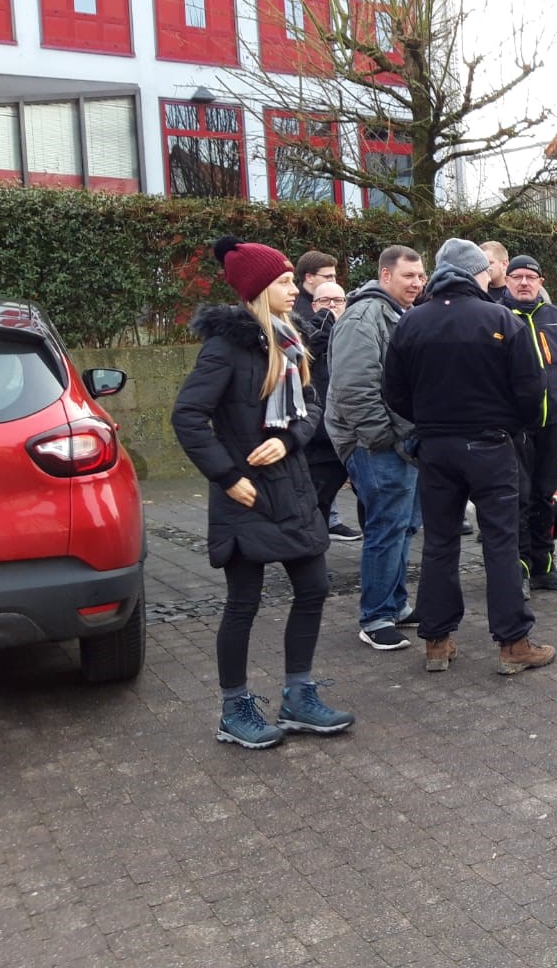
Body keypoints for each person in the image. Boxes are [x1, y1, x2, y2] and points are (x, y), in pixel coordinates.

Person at [172, 236, 354, 750]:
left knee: (314, 588)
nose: (295, 289)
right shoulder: (225, 347)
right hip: (246, 497)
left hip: (293, 489)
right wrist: (228, 478)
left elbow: (311, 405)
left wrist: (289, 439)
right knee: (243, 604)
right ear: (258, 289)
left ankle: (298, 697)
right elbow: (188, 416)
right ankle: (234, 709)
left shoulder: (291, 339)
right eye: (284, 282)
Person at [384, 239, 556, 675]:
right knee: (500, 542)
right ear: (475, 273)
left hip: (435, 446)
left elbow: (394, 392)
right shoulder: (499, 318)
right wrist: (515, 426)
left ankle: (437, 642)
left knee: (440, 543)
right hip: (489, 444)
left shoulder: (411, 321)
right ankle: (513, 643)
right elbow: (531, 388)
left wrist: (430, 420)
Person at [325, 244, 426, 652]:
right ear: (385, 275)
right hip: (376, 444)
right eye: (408, 276)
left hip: (399, 442)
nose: (417, 283)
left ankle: (396, 604)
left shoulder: (399, 314)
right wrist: (382, 437)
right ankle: (376, 617)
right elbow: (353, 386)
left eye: (420, 276)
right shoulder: (364, 316)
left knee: (402, 526)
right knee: (386, 527)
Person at [501, 253, 557, 591]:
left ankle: (544, 567)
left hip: (554, 422)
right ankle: (517, 572)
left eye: (530, 277)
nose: (523, 282)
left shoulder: (555, 316)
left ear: (540, 282)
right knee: (518, 497)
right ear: (506, 281)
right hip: (516, 426)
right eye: (516, 277)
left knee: (545, 495)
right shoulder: (497, 316)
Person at [300, 280, 358, 539]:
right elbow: (306, 354)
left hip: (351, 434)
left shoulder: (355, 333)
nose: (332, 306)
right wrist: (322, 323)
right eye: (325, 301)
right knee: (316, 501)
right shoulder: (304, 332)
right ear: (314, 305)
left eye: (338, 301)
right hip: (319, 438)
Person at [290, 249, 338, 324]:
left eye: (334, 276)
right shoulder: (298, 312)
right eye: (328, 277)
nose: (334, 281)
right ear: (309, 277)